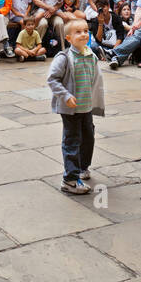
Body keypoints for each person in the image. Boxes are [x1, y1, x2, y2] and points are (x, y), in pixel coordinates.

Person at [47, 19, 105, 195]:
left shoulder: (90, 56)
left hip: (86, 107)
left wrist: (96, 102)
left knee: (88, 139)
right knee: (72, 141)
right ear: (69, 38)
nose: (83, 34)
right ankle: (70, 180)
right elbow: (52, 79)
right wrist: (65, 95)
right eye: (78, 32)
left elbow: (96, 81)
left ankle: (82, 168)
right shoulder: (64, 58)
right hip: (70, 110)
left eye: (86, 30)